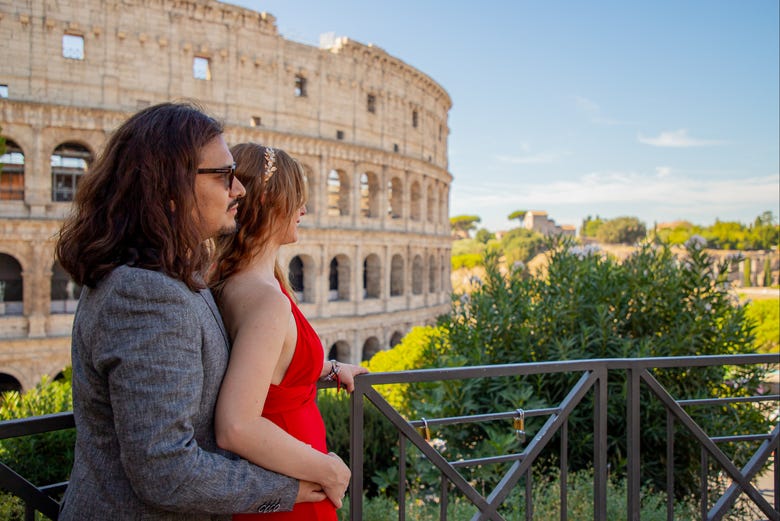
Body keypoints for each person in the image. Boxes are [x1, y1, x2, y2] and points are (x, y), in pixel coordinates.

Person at [55, 102, 326, 521]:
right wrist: (286, 491)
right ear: (169, 186)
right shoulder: (145, 293)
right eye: (223, 176)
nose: (238, 190)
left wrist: (322, 368)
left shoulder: (174, 274)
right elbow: (167, 472)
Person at [209, 143, 368, 521]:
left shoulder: (235, 281)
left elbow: (266, 370)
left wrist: (326, 368)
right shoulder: (265, 299)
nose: (304, 210)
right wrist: (330, 470)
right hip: (293, 482)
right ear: (267, 200)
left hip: (282, 480)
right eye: (298, 199)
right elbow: (236, 425)